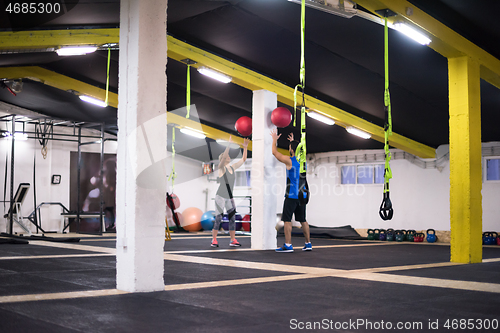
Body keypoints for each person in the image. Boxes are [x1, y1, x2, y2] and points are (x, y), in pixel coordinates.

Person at [270, 129, 311, 252]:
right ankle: (308, 243)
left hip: (291, 195)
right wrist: (294, 142)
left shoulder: (289, 161)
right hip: (302, 196)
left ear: (292, 150)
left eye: (289, 147)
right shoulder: (303, 163)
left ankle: (288, 245)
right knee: (303, 220)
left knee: (287, 220)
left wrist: (274, 140)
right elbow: (299, 151)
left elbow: (274, 152)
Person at [211, 135, 249, 248]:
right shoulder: (221, 168)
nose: (228, 157)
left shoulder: (232, 167)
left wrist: (245, 147)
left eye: (228, 156)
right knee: (218, 218)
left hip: (229, 197)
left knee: (232, 218)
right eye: (226, 156)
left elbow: (243, 159)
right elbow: (222, 159)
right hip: (220, 196)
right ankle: (214, 240)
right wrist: (228, 145)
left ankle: (233, 240)